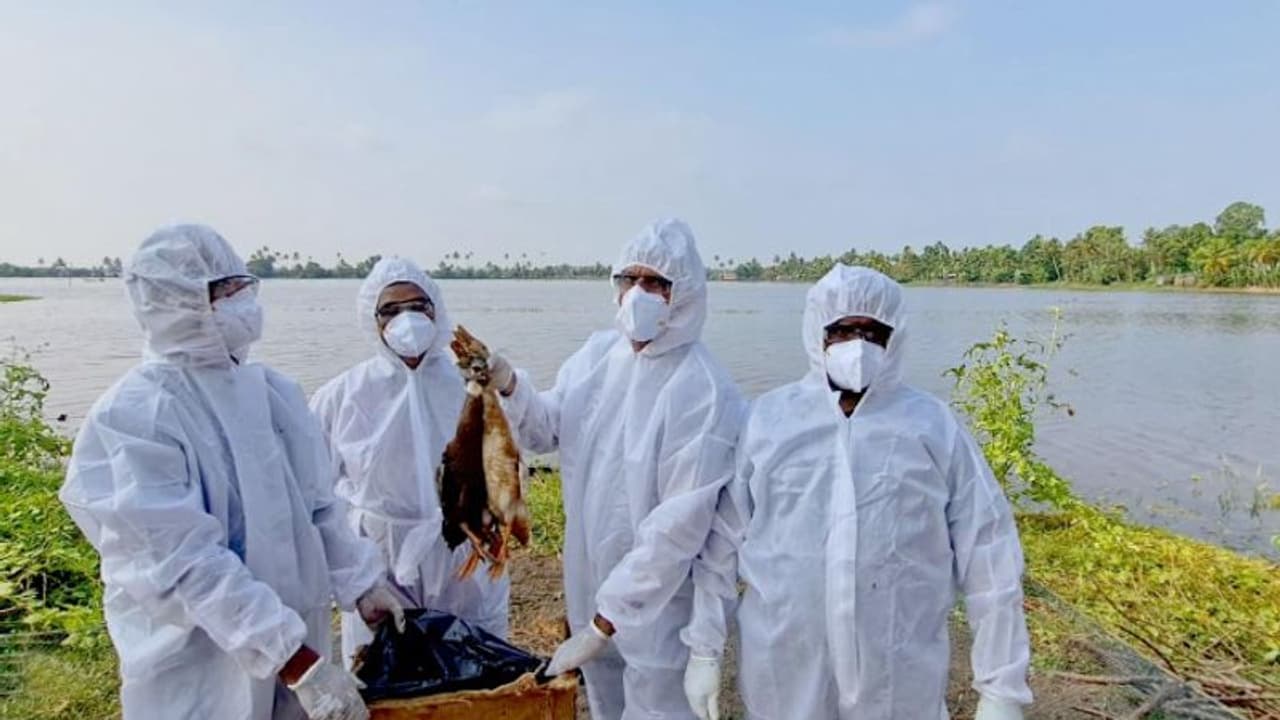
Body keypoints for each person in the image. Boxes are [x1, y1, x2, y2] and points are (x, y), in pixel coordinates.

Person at [60, 225, 405, 720]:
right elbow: (184, 563)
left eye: (240, 286)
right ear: (175, 305)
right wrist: (294, 659)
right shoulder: (136, 415)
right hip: (201, 667)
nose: (240, 300)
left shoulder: (272, 394)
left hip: (293, 642)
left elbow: (319, 506)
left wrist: (361, 583)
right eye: (221, 291)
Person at [690, 264, 1033, 720]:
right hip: (785, 659)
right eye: (842, 331)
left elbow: (988, 550)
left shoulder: (931, 426)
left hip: (898, 667)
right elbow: (721, 544)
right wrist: (704, 648)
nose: (857, 346)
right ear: (817, 334)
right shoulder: (770, 420)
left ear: (895, 339)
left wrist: (1002, 687)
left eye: (873, 333)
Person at [486, 219, 744, 720]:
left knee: (658, 710)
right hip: (591, 588)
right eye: (630, 280)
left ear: (685, 293)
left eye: (656, 284)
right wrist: (510, 384)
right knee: (605, 705)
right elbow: (544, 431)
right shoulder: (596, 357)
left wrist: (607, 621)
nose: (639, 294)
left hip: (661, 609)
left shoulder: (703, 389)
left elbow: (678, 528)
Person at [310, 256, 510, 668]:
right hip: (380, 557)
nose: (407, 318)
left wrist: (508, 384)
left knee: (478, 670)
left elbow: (522, 443)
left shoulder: (472, 383)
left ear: (436, 310)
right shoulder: (341, 396)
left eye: (418, 306)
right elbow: (315, 492)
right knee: (383, 675)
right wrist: (352, 577)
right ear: (373, 320)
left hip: (464, 552)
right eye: (391, 309)